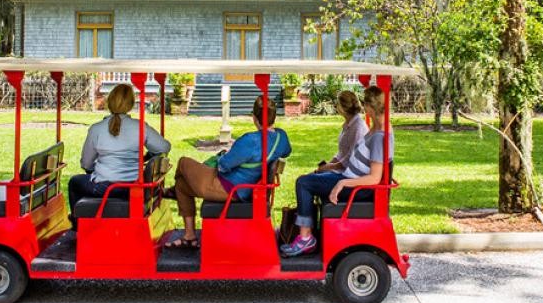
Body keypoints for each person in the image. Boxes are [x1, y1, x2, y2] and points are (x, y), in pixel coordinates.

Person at [163, 96, 291, 248]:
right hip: (244, 187)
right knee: (182, 185)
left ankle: (171, 193)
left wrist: (223, 156)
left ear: (254, 118)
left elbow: (223, 166)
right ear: (274, 116)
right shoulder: (281, 137)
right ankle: (189, 236)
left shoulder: (250, 140)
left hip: (230, 188)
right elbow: (287, 151)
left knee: (183, 162)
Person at [280, 85, 393, 257]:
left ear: (370, 107)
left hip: (356, 188)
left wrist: (342, 182)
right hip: (349, 178)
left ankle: (305, 238)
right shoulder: (376, 129)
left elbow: (374, 178)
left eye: (365, 104)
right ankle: (309, 231)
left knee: (303, 182)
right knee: (309, 179)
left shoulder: (379, 137)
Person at [68, 84, 171, 229]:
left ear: (109, 102)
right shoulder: (140, 126)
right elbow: (164, 147)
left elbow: (86, 163)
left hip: (104, 188)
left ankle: (78, 225)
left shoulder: (96, 129)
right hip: (134, 187)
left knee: (74, 182)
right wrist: (147, 156)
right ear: (130, 104)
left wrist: (94, 172)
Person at [315, 90, 369, 174]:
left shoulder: (358, 128)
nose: (336, 105)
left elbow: (351, 159)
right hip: (341, 171)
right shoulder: (349, 124)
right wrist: (327, 166)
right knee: (309, 176)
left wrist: (329, 166)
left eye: (338, 103)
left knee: (304, 181)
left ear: (343, 108)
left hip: (349, 175)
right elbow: (342, 153)